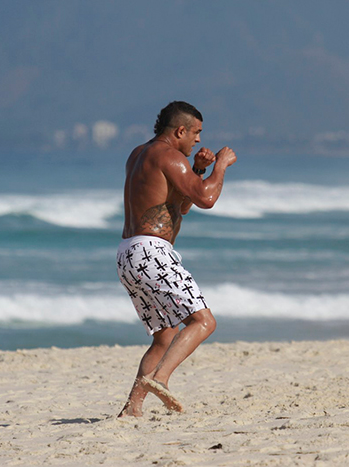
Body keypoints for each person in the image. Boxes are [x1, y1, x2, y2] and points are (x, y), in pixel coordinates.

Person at [116, 101, 237, 416]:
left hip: (128, 253)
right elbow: (207, 198)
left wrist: (198, 170)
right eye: (195, 133)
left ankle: (133, 408)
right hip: (151, 252)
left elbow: (179, 206)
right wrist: (220, 166)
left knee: (165, 336)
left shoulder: (140, 154)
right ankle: (161, 379)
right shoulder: (170, 157)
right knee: (204, 321)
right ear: (180, 130)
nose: (198, 140)